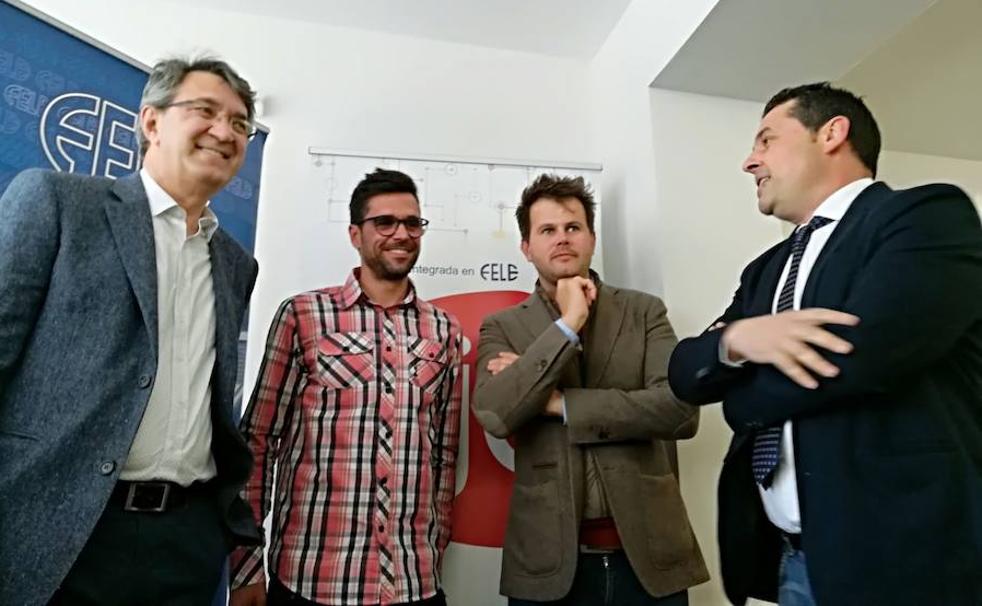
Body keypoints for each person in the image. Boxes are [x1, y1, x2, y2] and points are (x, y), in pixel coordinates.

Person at [668, 82, 982, 606]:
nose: (751, 162)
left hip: (902, 566)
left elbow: (858, 358)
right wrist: (741, 338)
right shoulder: (765, 271)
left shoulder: (925, 217)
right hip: (794, 562)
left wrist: (740, 400)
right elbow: (684, 371)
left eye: (766, 140)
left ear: (833, 133)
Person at [0, 56, 261, 605]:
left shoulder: (237, 264)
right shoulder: (59, 203)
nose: (225, 131)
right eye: (205, 111)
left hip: (185, 542)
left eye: (240, 124)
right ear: (151, 122)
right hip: (60, 530)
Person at [472, 174, 708, 605]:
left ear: (592, 238)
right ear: (526, 247)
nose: (562, 239)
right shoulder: (502, 327)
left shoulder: (644, 311)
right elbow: (494, 413)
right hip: (548, 563)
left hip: (649, 559)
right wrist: (569, 325)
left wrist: (559, 403)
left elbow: (679, 411)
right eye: (547, 230)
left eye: (572, 227)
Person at [230, 168, 462, 606]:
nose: (402, 233)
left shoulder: (443, 330)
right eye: (385, 222)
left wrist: (435, 544)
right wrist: (245, 566)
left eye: (413, 223)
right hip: (313, 579)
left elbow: (444, 455)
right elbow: (257, 443)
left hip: (415, 583)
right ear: (356, 234)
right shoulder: (303, 315)